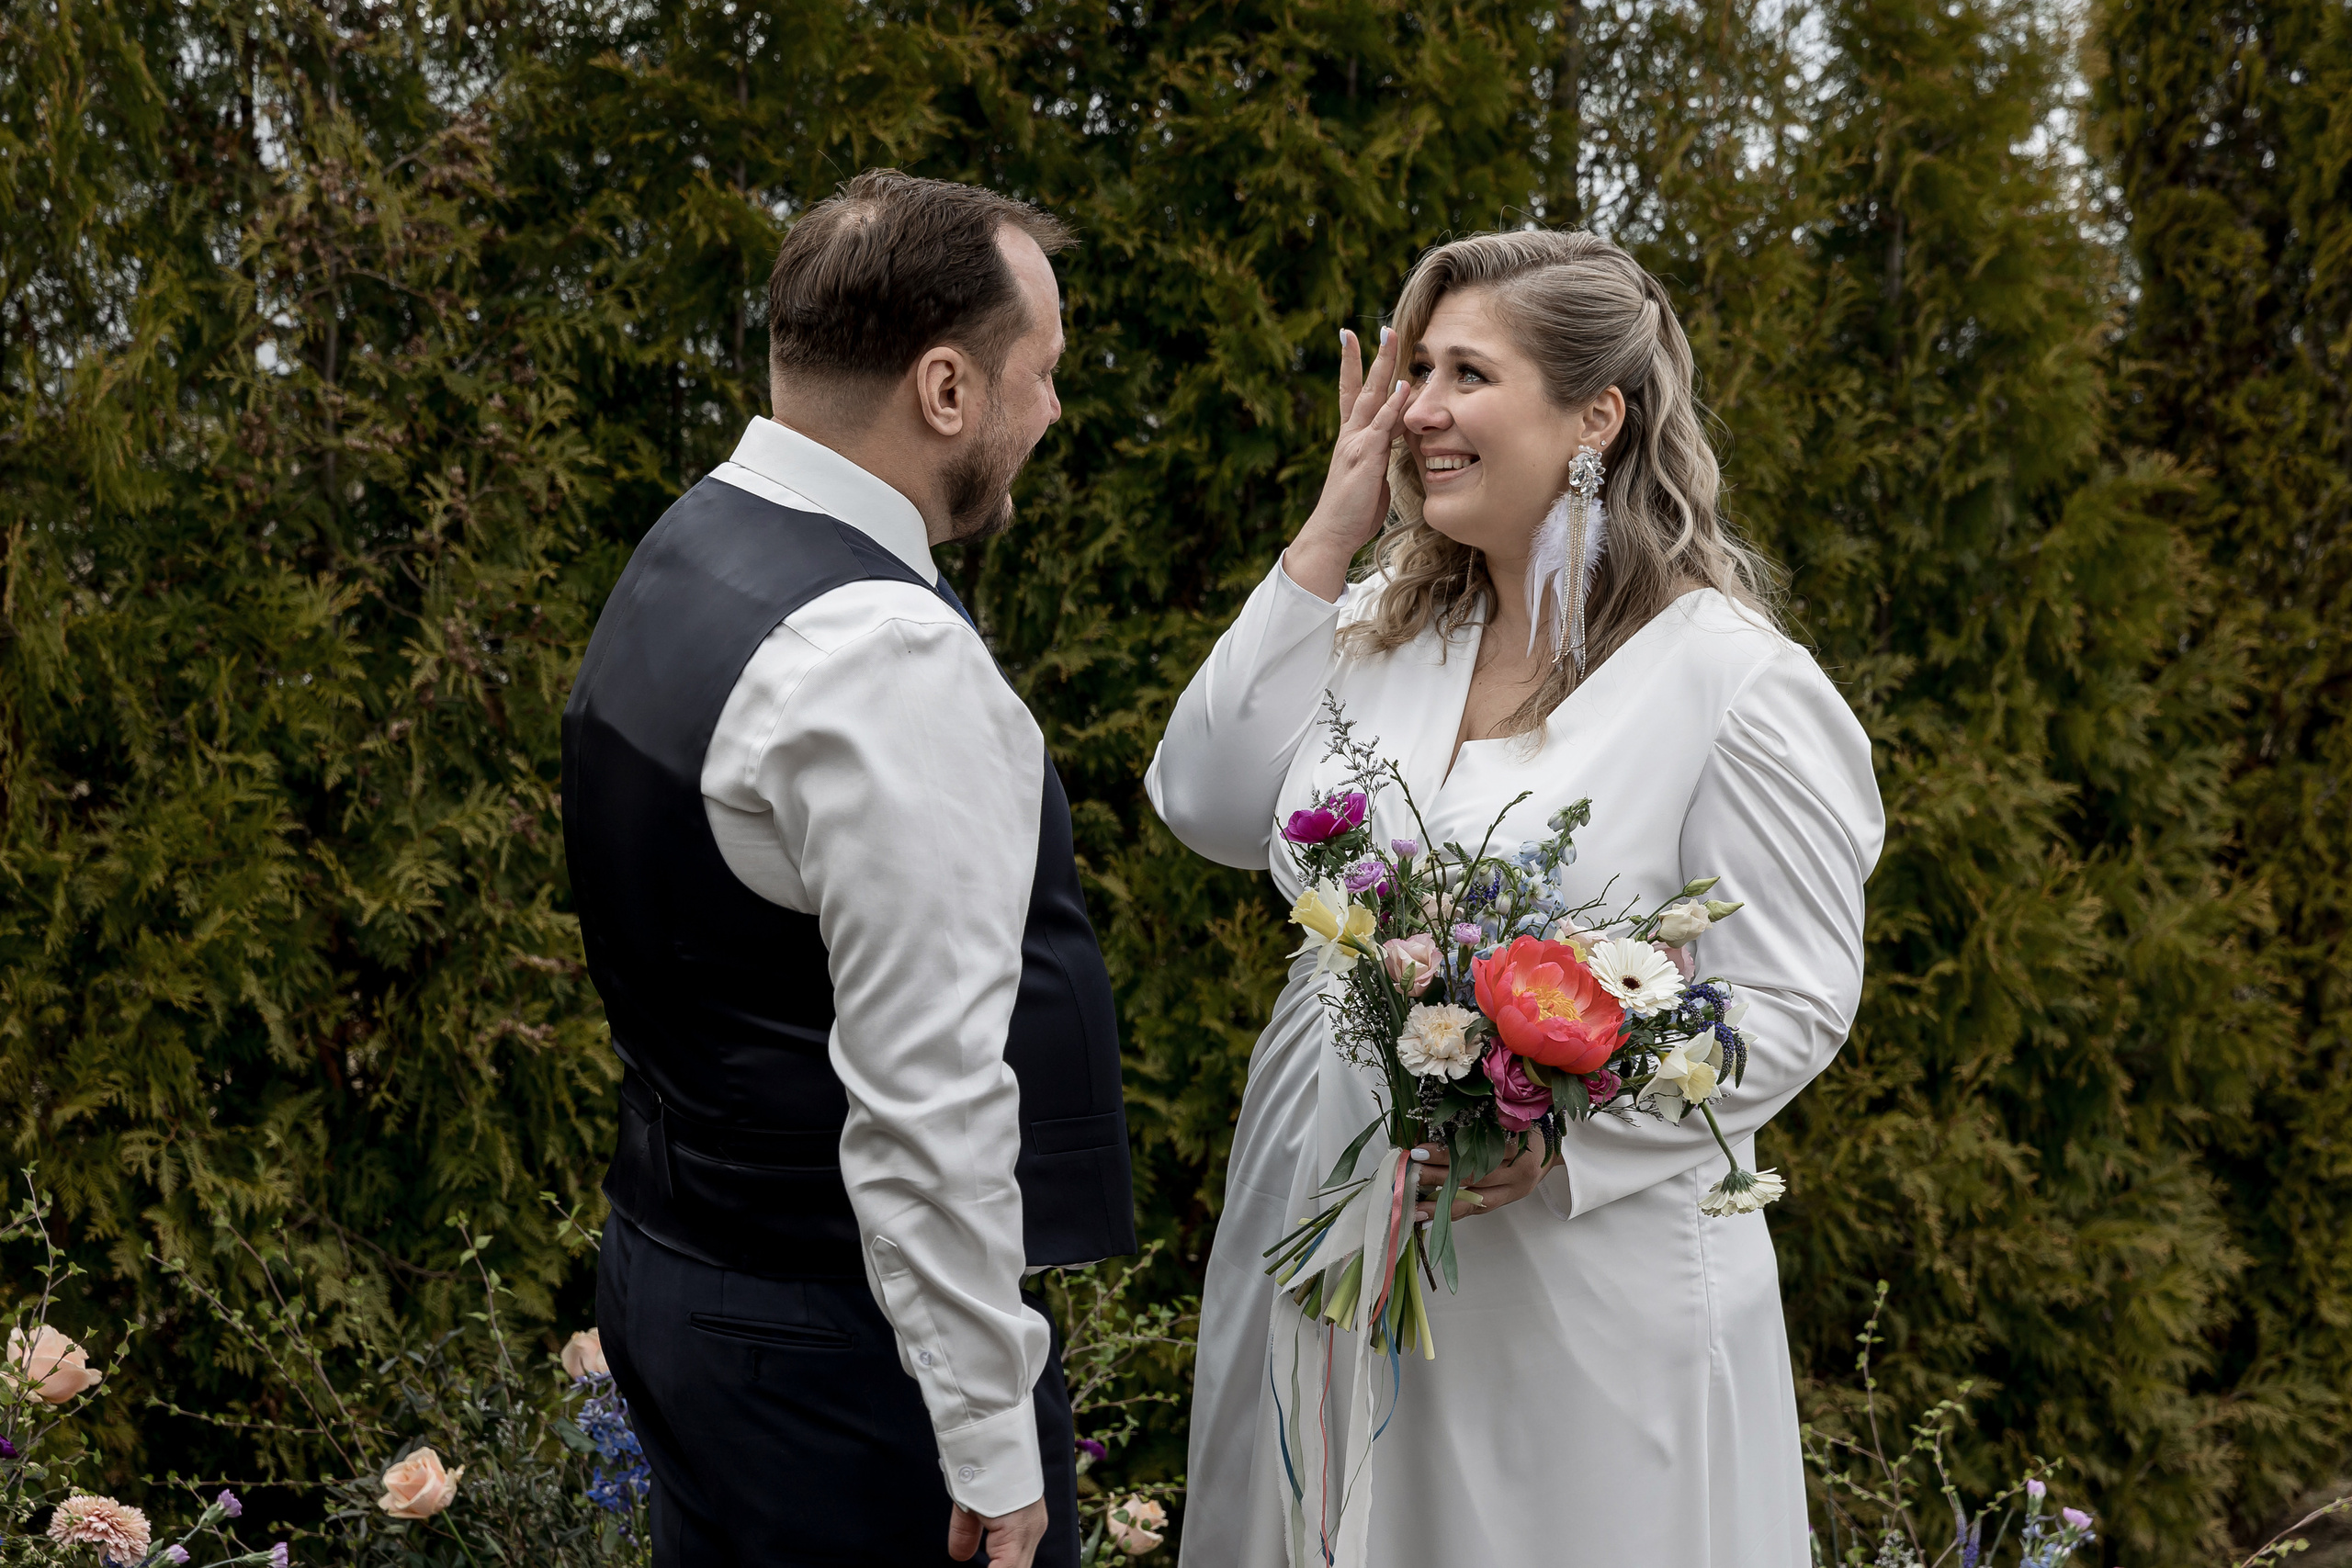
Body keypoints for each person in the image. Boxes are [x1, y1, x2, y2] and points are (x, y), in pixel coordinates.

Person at [1148, 229, 1883, 1565]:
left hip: (1571, 1280)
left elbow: (1792, 1000)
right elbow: (1201, 801)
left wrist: (1563, 1135)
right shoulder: (1379, 632)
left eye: (1465, 372)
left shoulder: (1732, 686)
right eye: (1413, 368)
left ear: (1595, 415)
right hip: (1326, 1219)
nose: (1415, 406)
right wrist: (1330, 530)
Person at [564, 170, 1136, 1568]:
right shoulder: (883, 654)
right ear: (946, 388)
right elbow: (925, 1100)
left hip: (675, 1270)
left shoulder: (694, 541)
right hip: (835, 1358)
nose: (1052, 411)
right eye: (1039, 373)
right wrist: (995, 1441)